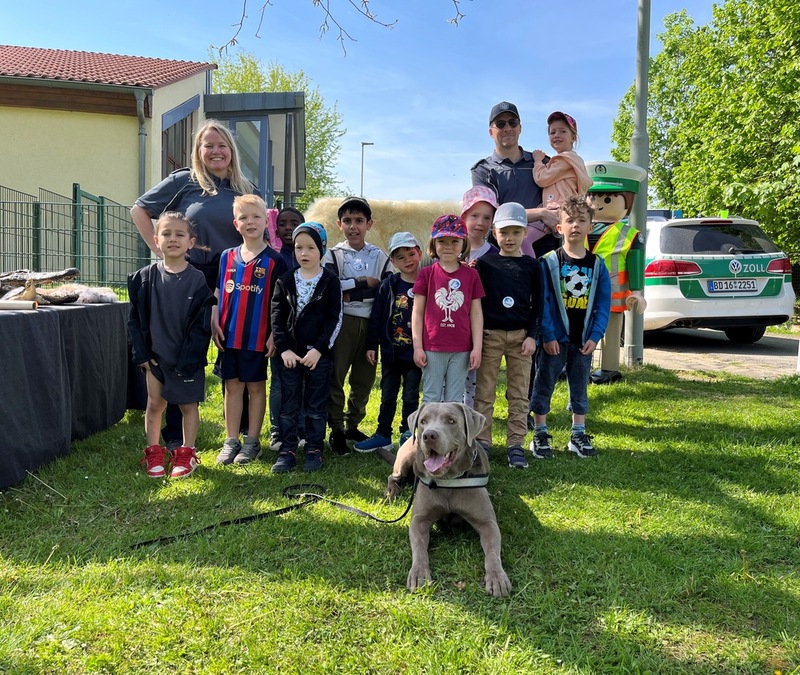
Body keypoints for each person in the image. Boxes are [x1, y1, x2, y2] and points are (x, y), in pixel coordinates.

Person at [131, 119, 259, 448]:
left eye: (222, 145)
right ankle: (174, 433)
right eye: (209, 145)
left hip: (235, 277)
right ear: (198, 151)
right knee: (179, 348)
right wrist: (157, 248)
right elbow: (139, 210)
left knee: (236, 350)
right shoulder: (184, 182)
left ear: (232, 151)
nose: (216, 151)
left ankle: (242, 432)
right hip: (190, 277)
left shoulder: (247, 189)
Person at [127, 212, 215, 479]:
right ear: (156, 240)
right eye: (166, 233)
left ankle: (187, 453)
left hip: (186, 359)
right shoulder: (143, 278)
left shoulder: (198, 280)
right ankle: (154, 451)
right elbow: (135, 320)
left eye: (179, 234)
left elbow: (202, 327)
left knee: (188, 406)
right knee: (155, 404)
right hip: (155, 359)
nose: (172, 239)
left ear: (191, 242)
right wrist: (142, 354)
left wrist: (191, 358)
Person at [530, 195, 611, 459]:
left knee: (580, 385)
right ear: (559, 227)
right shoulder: (549, 262)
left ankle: (578, 433)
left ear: (590, 226)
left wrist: (596, 335)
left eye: (581, 220)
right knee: (545, 383)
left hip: (583, 340)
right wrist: (548, 334)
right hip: (555, 340)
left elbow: (602, 303)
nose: (575, 225)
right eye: (570, 220)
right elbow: (541, 303)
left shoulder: (598, 266)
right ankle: (540, 432)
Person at [211, 194, 287, 465]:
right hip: (229, 336)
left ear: (266, 221)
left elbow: (280, 303)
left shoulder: (275, 261)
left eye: (256, 216)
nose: (250, 222)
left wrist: (273, 334)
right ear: (236, 223)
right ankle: (231, 440)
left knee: (255, 387)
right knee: (232, 386)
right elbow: (219, 292)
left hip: (257, 338)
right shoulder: (226, 257)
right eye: (244, 217)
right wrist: (213, 319)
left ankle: (252, 442)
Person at [474, 202, 543, 469]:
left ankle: (516, 444)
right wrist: (478, 339)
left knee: (518, 394)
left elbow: (539, 303)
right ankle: (483, 443)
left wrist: (532, 335)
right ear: (494, 233)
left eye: (516, 232)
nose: (510, 238)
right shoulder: (485, 264)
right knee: (484, 393)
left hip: (520, 338)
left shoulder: (532, 267)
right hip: (491, 336)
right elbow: (476, 304)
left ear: (525, 233)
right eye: (504, 233)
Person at [271, 223, 343, 473]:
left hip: (317, 357)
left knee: (314, 406)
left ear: (321, 249)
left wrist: (320, 349)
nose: (304, 253)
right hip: (290, 356)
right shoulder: (285, 280)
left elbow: (335, 319)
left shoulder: (331, 282)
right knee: (288, 406)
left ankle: (314, 448)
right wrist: (283, 349)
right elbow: (276, 317)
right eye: (299, 247)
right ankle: (287, 449)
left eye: (310, 247)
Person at [324, 196, 391, 456]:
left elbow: (385, 291)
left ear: (369, 224)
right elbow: (330, 289)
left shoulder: (380, 255)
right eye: (348, 221)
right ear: (339, 224)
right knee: (336, 377)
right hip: (342, 323)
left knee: (363, 380)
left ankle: (353, 424)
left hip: (371, 325)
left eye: (359, 221)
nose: (354, 226)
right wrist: (362, 281)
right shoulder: (333, 254)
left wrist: (350, 290)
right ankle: (337, 429)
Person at [354, 232, 423, 454]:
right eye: (400, 257)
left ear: (419, 253)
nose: (407, 260)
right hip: (392, 352)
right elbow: (377, 317)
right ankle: (383, 433)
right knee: (388, 395)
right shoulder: (389, 285)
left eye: (411, 254)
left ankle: (409, 434)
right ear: (392, 261)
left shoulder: (428, 282)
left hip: (416, 353)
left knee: (411, 395)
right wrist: (371, 345)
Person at [584, 160, 648, 384]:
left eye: (608, 198)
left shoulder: (630, 234)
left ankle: (609, 368)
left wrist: (638, 291)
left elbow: (635, 262)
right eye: (593, 197)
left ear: (627, 203)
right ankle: (578, 365)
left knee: (611, 333)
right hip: (579, 294)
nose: (598, 203)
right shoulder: (579, 226)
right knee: (580, 330)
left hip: (613, 295)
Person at [470, 101, 560, 258]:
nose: (507, 128)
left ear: (520, 128)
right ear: (491, 132)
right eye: (500, 124)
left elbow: (561, 197)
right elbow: (491, 214)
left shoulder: (543, 162)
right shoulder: (482, 170)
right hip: (503, 252)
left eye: (513, 122)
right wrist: (541, 213)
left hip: (546, 249)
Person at [412, 215, 484, 403]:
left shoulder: (471, 275)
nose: (448, 246)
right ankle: (425, 434)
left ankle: (452, 434)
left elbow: (476, 314)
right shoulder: (426, 274)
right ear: (434, 243)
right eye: (442, 241)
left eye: (454, 241)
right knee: (431, 397)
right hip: (432, 347)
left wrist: (477, 347)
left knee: (454, 399)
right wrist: (418, 346)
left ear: (464, 243)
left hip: (461, 348)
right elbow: (417, 312)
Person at [269, 206, 305, 451]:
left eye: (294, 223)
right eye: (283, 223)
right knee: (279, 382)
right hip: (280, 333)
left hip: (305, 333)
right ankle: (277, 430)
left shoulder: (310, 255)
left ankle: (301, 429)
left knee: (302, 382)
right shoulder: (273, 258)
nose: (288, 228)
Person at [461, 186, 499, 408]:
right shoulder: (449, 250)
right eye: (474, 215)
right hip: (452, 328)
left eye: (487, 217)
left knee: (475, 378)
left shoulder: (494, 254)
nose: (480, 223)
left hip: (480, 327)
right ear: (464, 215)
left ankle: (471, 422)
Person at [533, 111, 592, 211]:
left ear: (573, 138)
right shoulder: (575, 160)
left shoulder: (565, 160)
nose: (556, 135)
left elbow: (542, 179)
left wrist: (538, 161)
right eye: (552, 132)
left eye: (562, 131)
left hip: (559, 207)